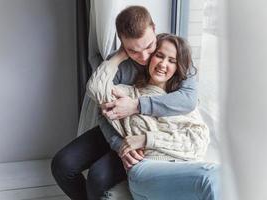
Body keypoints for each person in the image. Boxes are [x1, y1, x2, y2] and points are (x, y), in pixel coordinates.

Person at [51, 6, 197, 200]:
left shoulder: (169, 51)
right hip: (116, 128)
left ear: (154, 29)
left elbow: (188, 100)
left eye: (148, 47)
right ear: (122, 43)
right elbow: (103, 110)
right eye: (133, 51)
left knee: (98, 176)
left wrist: (137, 105)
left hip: (145, 132)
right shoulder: (117, 64)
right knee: (62, 164)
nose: (144, 57)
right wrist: (118, 144)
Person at [87, 33, 220, 200]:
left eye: (172, 61)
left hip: (184, 168)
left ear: (177, 67)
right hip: (146, 169)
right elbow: (95, 87)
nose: (163, 64)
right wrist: (122, 53)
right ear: (150, 57)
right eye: (159, 56)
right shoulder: (128, 94)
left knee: (221, 177)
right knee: (212, 177)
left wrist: (146, 139)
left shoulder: (179, 102)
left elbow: (198, 141)